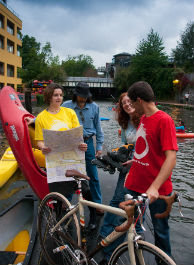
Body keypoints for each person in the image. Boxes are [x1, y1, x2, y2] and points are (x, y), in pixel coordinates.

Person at [124, 81, 178, 257]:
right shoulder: (144, 119)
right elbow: (147, 151)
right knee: (130, 227)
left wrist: (154, 186)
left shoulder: (164, 120)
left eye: (132, 103)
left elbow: (171, 158)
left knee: (161, 233)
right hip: (135, 185)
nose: (131, 108)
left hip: (158, 191)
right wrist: (135, 161)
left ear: (139, 100)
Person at [35, 83, 96, 229]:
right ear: (49, 96)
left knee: (85, 189)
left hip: (72, 158)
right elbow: (39, 141)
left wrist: (82, 145)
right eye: (55, 95)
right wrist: (44, 147)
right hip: (55, 160)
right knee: (58, 195)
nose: (59, 98)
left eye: (61, 95)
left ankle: (93, 216)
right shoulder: (41, 117)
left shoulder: (69, 113)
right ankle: (59, 222)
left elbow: (77, 136)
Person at [99, 92, 143, 264]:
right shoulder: (125, 124)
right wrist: (116, 158)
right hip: (128, 167)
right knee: (118, 199)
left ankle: (137, 240)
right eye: (123, 102)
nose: (126, 104)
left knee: (137, 204)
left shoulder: (145, 120)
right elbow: (126, 146)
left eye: (129, 101)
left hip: (142, 166)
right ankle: (106, 234)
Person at [62, 82, 104, 215]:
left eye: (86, 96)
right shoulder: (66, 106)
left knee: (93, 175)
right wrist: (34, 120)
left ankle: (97, 203)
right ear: (76, 94)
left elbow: (98, 128)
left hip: (88, 144)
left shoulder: (94, 107)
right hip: (71, 144)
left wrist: (99, 146)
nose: (83, 99)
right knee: (69, 173)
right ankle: (66, 202)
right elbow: (53, 117)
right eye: (81, 96)